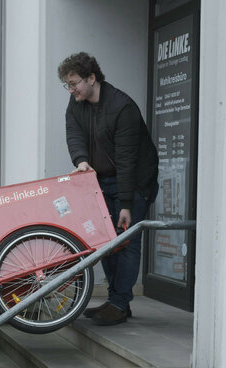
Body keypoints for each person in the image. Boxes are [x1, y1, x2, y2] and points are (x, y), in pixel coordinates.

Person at [59, 51, 159, 326]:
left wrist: (126, 204)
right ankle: (117, 302)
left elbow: (127, 160)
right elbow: (73, 133)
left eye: (74, 83)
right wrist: (81, 161)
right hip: (100, 180)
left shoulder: (122, 107)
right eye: (67, 84)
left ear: (92, 78)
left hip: (135, 182)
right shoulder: (76, 102)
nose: (71, 89)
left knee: (126, 242)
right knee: (105, 242)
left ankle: (119, 302)